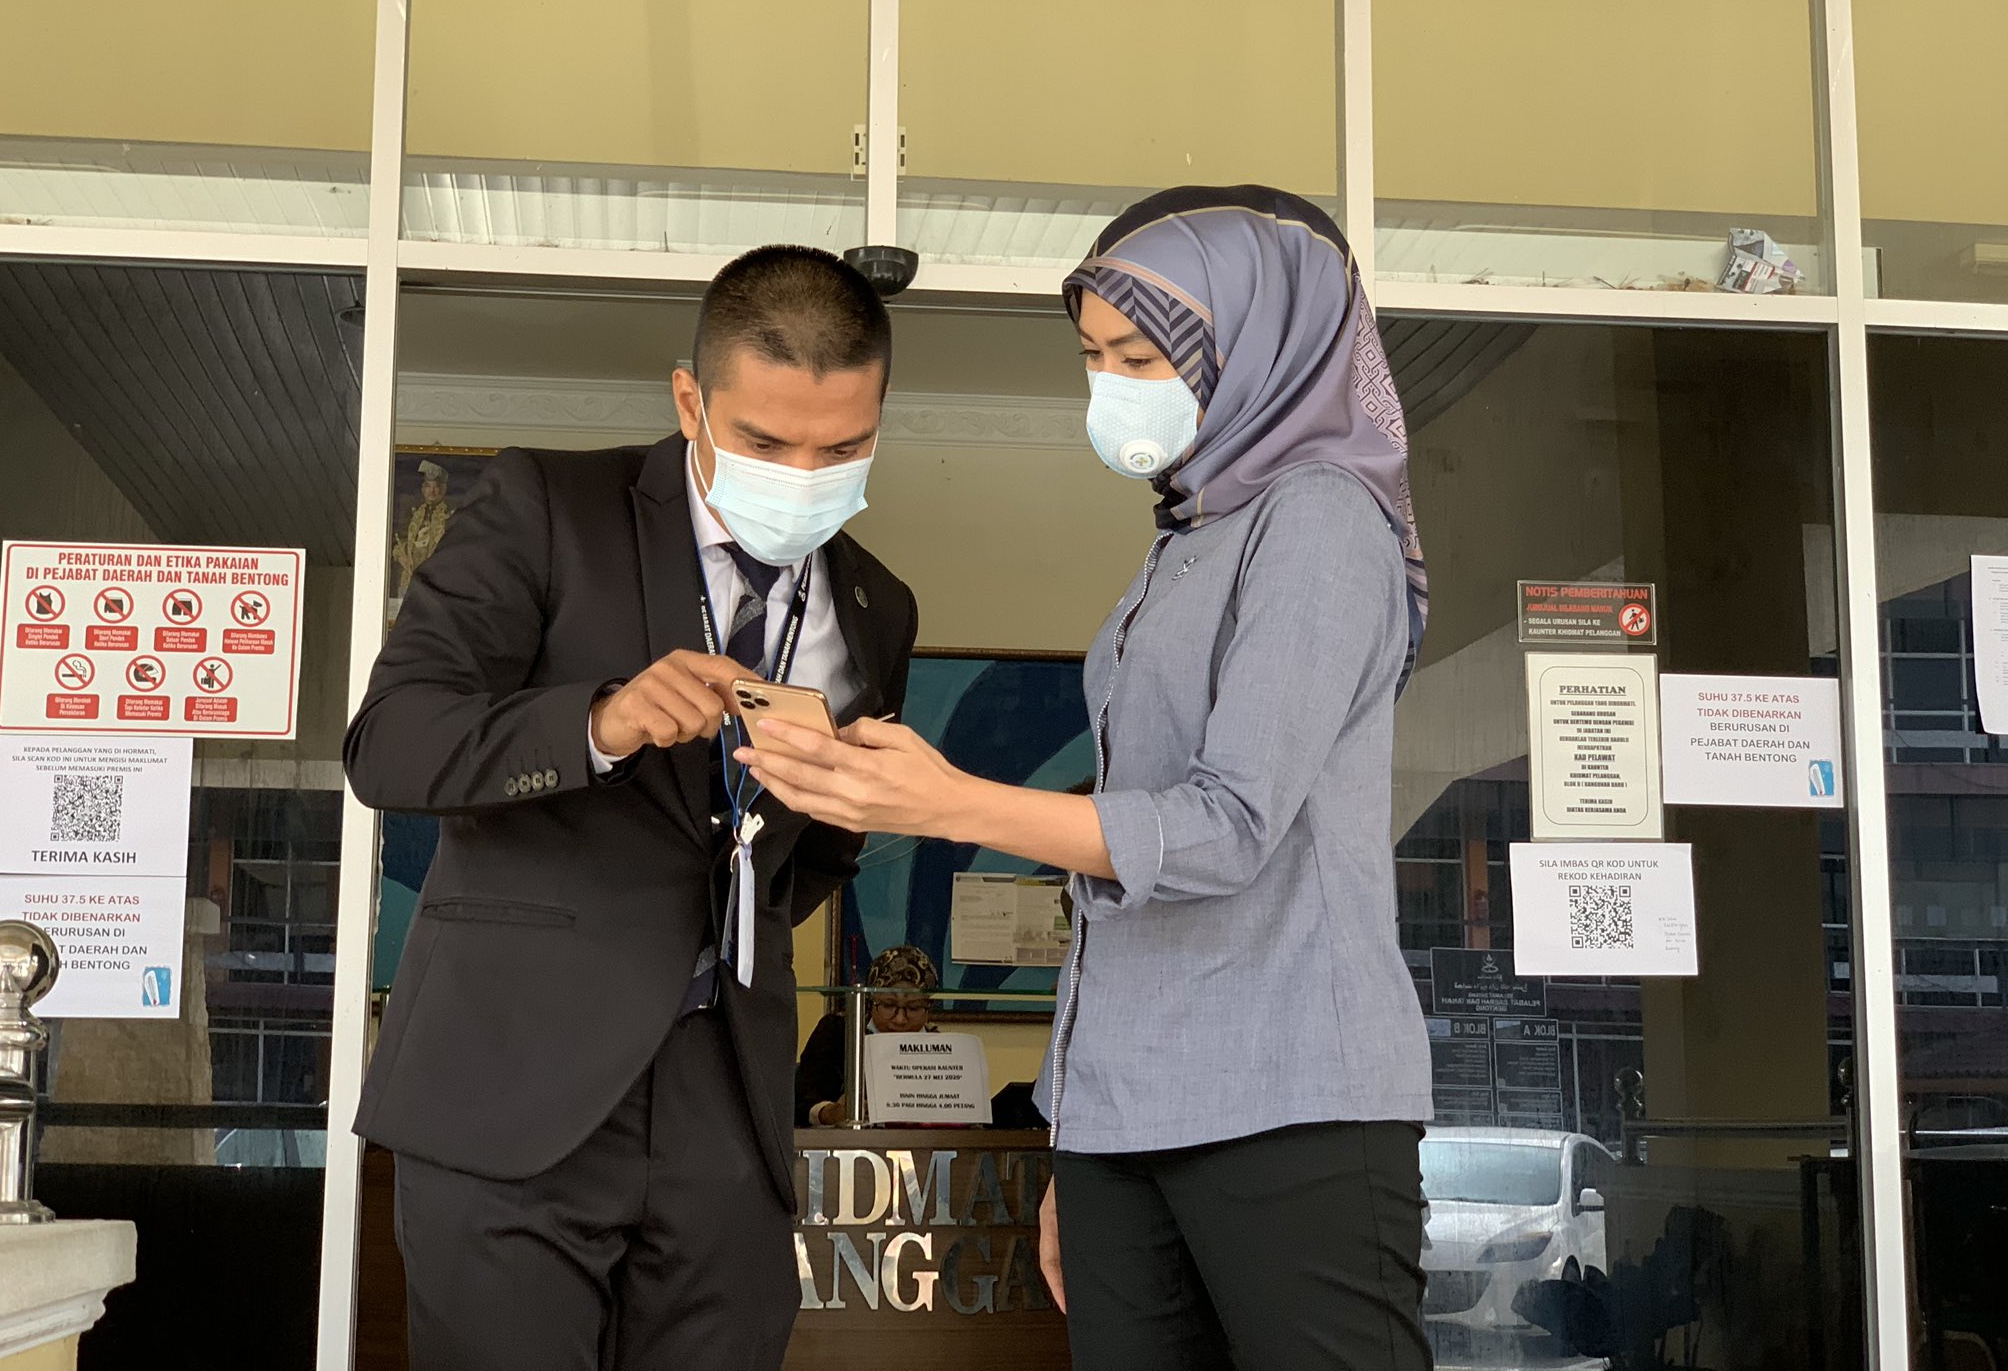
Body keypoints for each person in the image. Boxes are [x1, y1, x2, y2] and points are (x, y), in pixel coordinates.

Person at [738, 186, 1435, 1371]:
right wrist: (1080, 1125)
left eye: (1138, 358)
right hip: (1127, 1114)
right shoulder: (1188, 535)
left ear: (1254, 346)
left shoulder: (1319, 521)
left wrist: (948, 803)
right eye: (1093, 357)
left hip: (1287, 1100)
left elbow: (1226, 827)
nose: (1109, 387)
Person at [343, 244, 920, 1371]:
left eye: (843, 448)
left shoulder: (876, 604)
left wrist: (809, 846)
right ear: (689, 401)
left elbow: (809, 857)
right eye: (766, 443)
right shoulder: (549, 507)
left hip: (728, 1108)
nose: (805, 474)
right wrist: (597, 725)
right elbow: (390, 743)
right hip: (515, 1083)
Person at [794, 943, 938, 1126]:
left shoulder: (941, 1045)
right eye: (888, 1005)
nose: (900, 1019)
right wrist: (831, 1112)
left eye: (914, 1008)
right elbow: (802, 1100)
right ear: (871, 1001)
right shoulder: (838, 1032)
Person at [392, 458, 454, 594]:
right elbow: (398, 540)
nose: (432, 491)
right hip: (410, 579)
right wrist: (401, 557)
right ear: (423, 489)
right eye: (428, 486)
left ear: (444, 489)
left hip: (438, 581)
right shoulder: (414, 514)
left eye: (436, 487)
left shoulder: (450, 515)